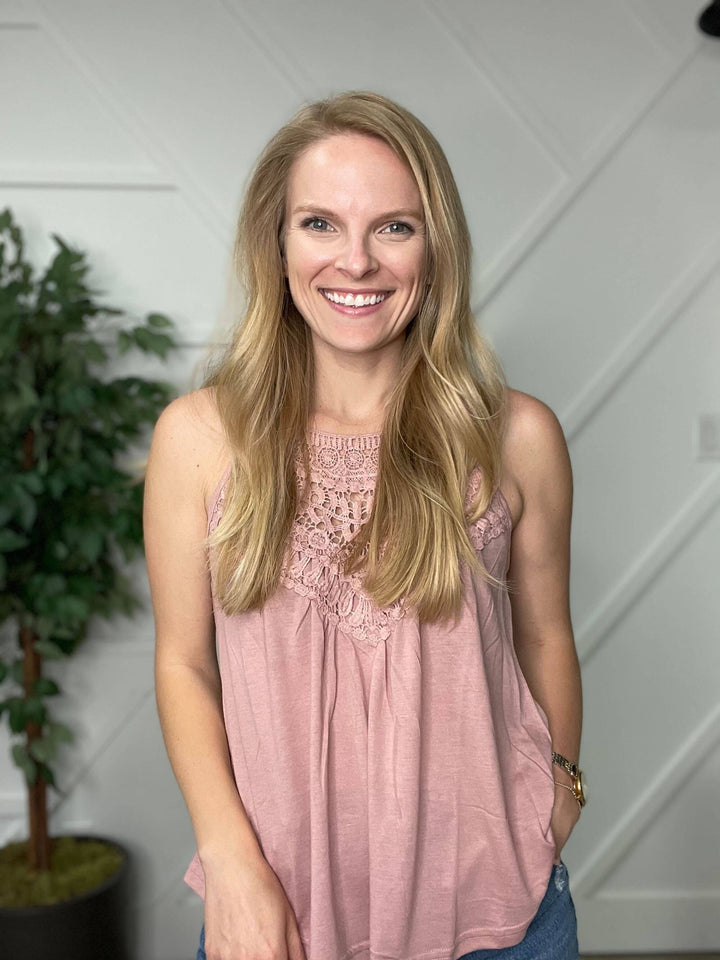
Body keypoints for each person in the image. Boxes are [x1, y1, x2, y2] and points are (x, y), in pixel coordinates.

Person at [143, 90, 586, 960]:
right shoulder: (197, 438)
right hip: (277, 917)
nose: (356, 261)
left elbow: (546, 636)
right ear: (276, 244)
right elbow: (183, 663)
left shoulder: (517, 435)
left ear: (436, 247)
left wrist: (558, 794)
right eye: (319, 223)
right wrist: (231, 864)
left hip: (499, 909)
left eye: (394, 227)